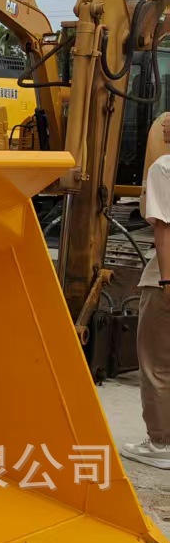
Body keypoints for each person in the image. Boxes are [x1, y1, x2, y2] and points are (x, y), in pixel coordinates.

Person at [125, 112, 170, 469]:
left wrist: (167, 281)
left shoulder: (164, 169)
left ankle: (161, 443)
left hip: (164, 279)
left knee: (156, 364)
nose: (164, 123)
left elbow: (165, 230)